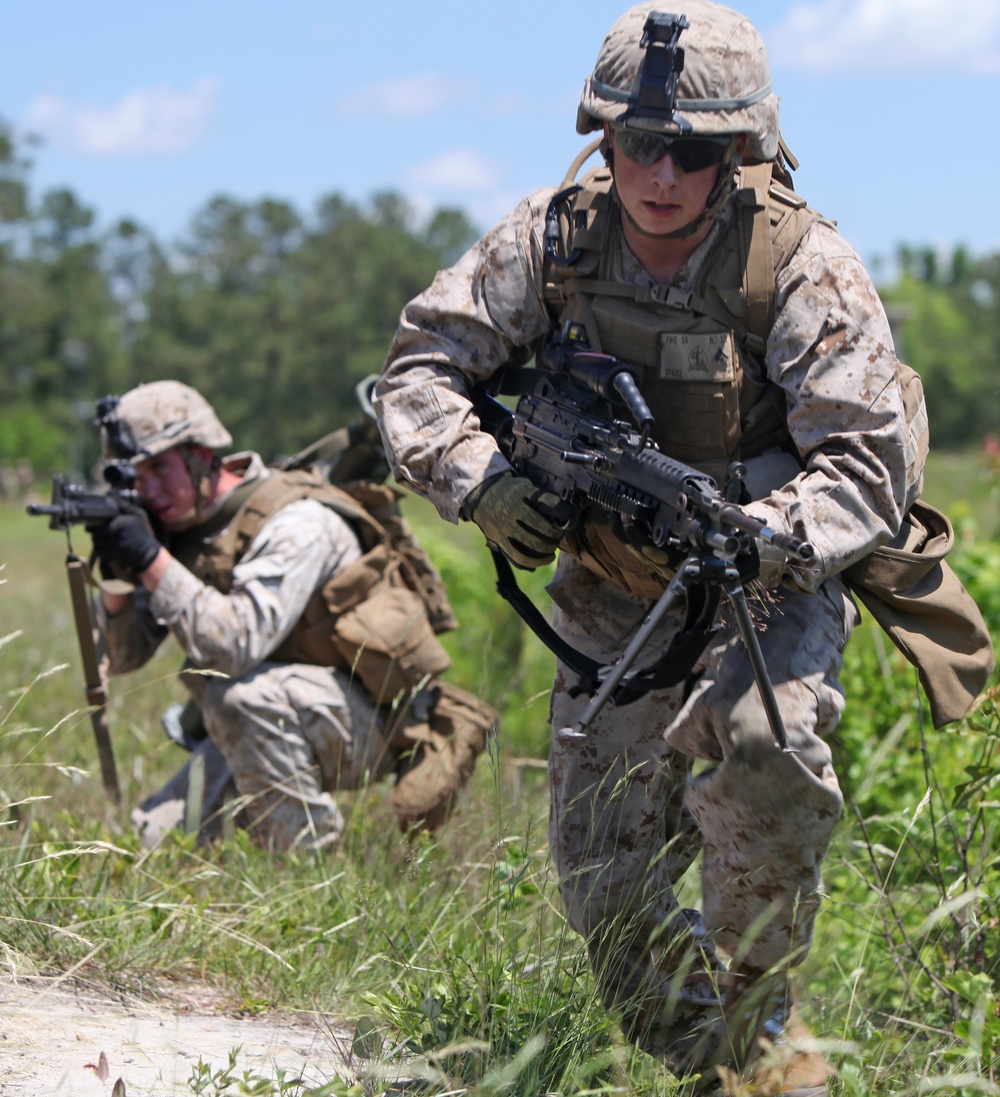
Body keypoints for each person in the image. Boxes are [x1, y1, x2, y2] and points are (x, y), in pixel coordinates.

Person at [373, 2, 993, 1093]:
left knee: (764, 753)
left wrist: (763, 533)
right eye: (636, 142)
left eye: (693, 150)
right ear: (602, 136)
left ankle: (763, 1036)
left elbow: (862, 466)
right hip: (614, 579)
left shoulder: (801, 266)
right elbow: (420, 368)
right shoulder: (553, 234)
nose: (660, 172)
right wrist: (482, 484)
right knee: (604, 878)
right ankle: (711, 1056)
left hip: (765, 573)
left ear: (740, 150)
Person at [91, 379, 496, 851]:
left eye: (159, 468)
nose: (147, 488)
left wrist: (149, 559)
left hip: (375, 720)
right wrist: (119, 581)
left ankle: (308, 859)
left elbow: (231, 645)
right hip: (276, 714)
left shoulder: (295, 521)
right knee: (149, 844)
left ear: (202, 455)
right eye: (135, 476)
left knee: (237, 697)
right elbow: (119, 661)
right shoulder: (182, 528)